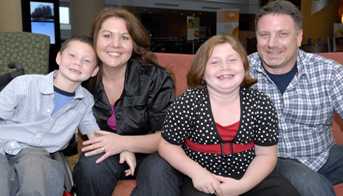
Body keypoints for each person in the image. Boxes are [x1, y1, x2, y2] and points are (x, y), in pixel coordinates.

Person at [159, 34, 300, 196]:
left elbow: (266, 155)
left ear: (244, 66)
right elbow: (167, 145)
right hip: (203, 178)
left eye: (232, 60)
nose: (224, 67)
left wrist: (242, 185)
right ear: (202, 71)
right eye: (214, 62)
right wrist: (197, 173)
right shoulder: (188, 102)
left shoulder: (261, 103)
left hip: (250, 176)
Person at [72, 7, 182, 196]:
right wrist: (119, 147)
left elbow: (168, 137)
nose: (115, 44)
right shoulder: (84, 78)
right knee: (91, 165)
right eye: (107, 35)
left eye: (124, 37)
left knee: (159, 170)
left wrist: (124, 143)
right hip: (108, 151)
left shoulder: (156, 78)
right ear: (95, 40)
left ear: (134, 44)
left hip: (153, 153)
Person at [248, 1, 343, 196]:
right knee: (313, 187)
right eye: (264, 35)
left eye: (282, 34)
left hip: (323, 156)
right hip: (273, 160)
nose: (272, 43)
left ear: (298, 37)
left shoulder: (328, 71)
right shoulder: (240, 72)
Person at [0, 36, 102, 196]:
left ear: (94, 71)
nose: (77, 63)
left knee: (37, 175)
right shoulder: (24, 84)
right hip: (3, 141)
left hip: (38, 153)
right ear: (59, 58)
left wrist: (122, 148)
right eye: (72, 55)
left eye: (87, 61)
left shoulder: (86, 100)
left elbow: (93, 131)